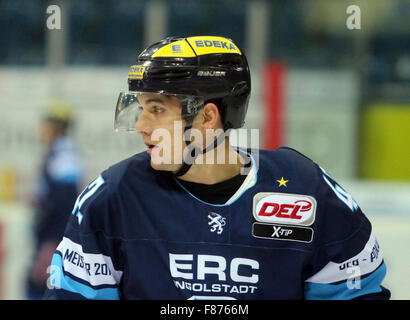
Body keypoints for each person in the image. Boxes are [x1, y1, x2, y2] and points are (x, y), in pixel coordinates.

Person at [44, 36, 390, 300]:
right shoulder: (112, 197)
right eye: (141, 109)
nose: (141, 126)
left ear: (208, 117)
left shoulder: (307, 190)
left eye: (158, 110)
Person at [26, 101, 83, 299]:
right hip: (49, 233)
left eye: (46, 124)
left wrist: (53, 240)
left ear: (57, 127)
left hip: (54, 235)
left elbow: (64, 203)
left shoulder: (65, 156)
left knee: (40, 285)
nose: (42, 129)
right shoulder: (56, 153)